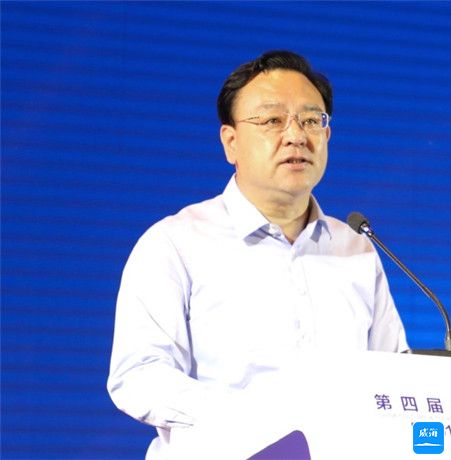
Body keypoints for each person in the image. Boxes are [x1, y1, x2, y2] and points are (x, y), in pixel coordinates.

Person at [107, 50, 408, 458]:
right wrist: (255, 419)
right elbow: (138, 376)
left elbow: (393, 375)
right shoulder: (175, 243)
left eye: (311, 120)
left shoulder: (355, 247)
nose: (296, 135)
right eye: (272, 121)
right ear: (230, 142)